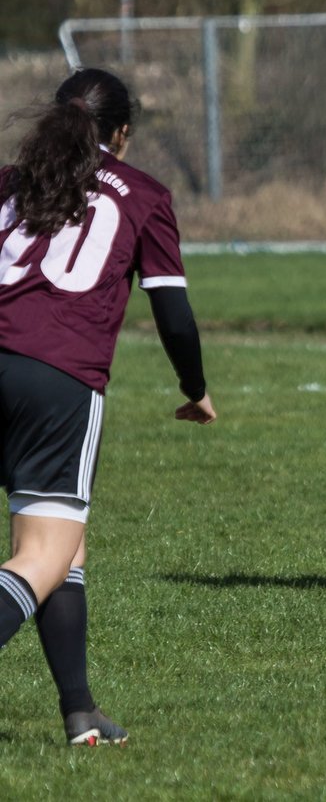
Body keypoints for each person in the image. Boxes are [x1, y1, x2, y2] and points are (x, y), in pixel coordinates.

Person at [0, 68, 217, 745]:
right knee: (40, 557)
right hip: (57, 382)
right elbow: (175, 316)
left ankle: (80, 714)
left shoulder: (11, 180)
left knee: (62, 549)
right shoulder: (144, 193)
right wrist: (195, 389)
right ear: (121, 134)